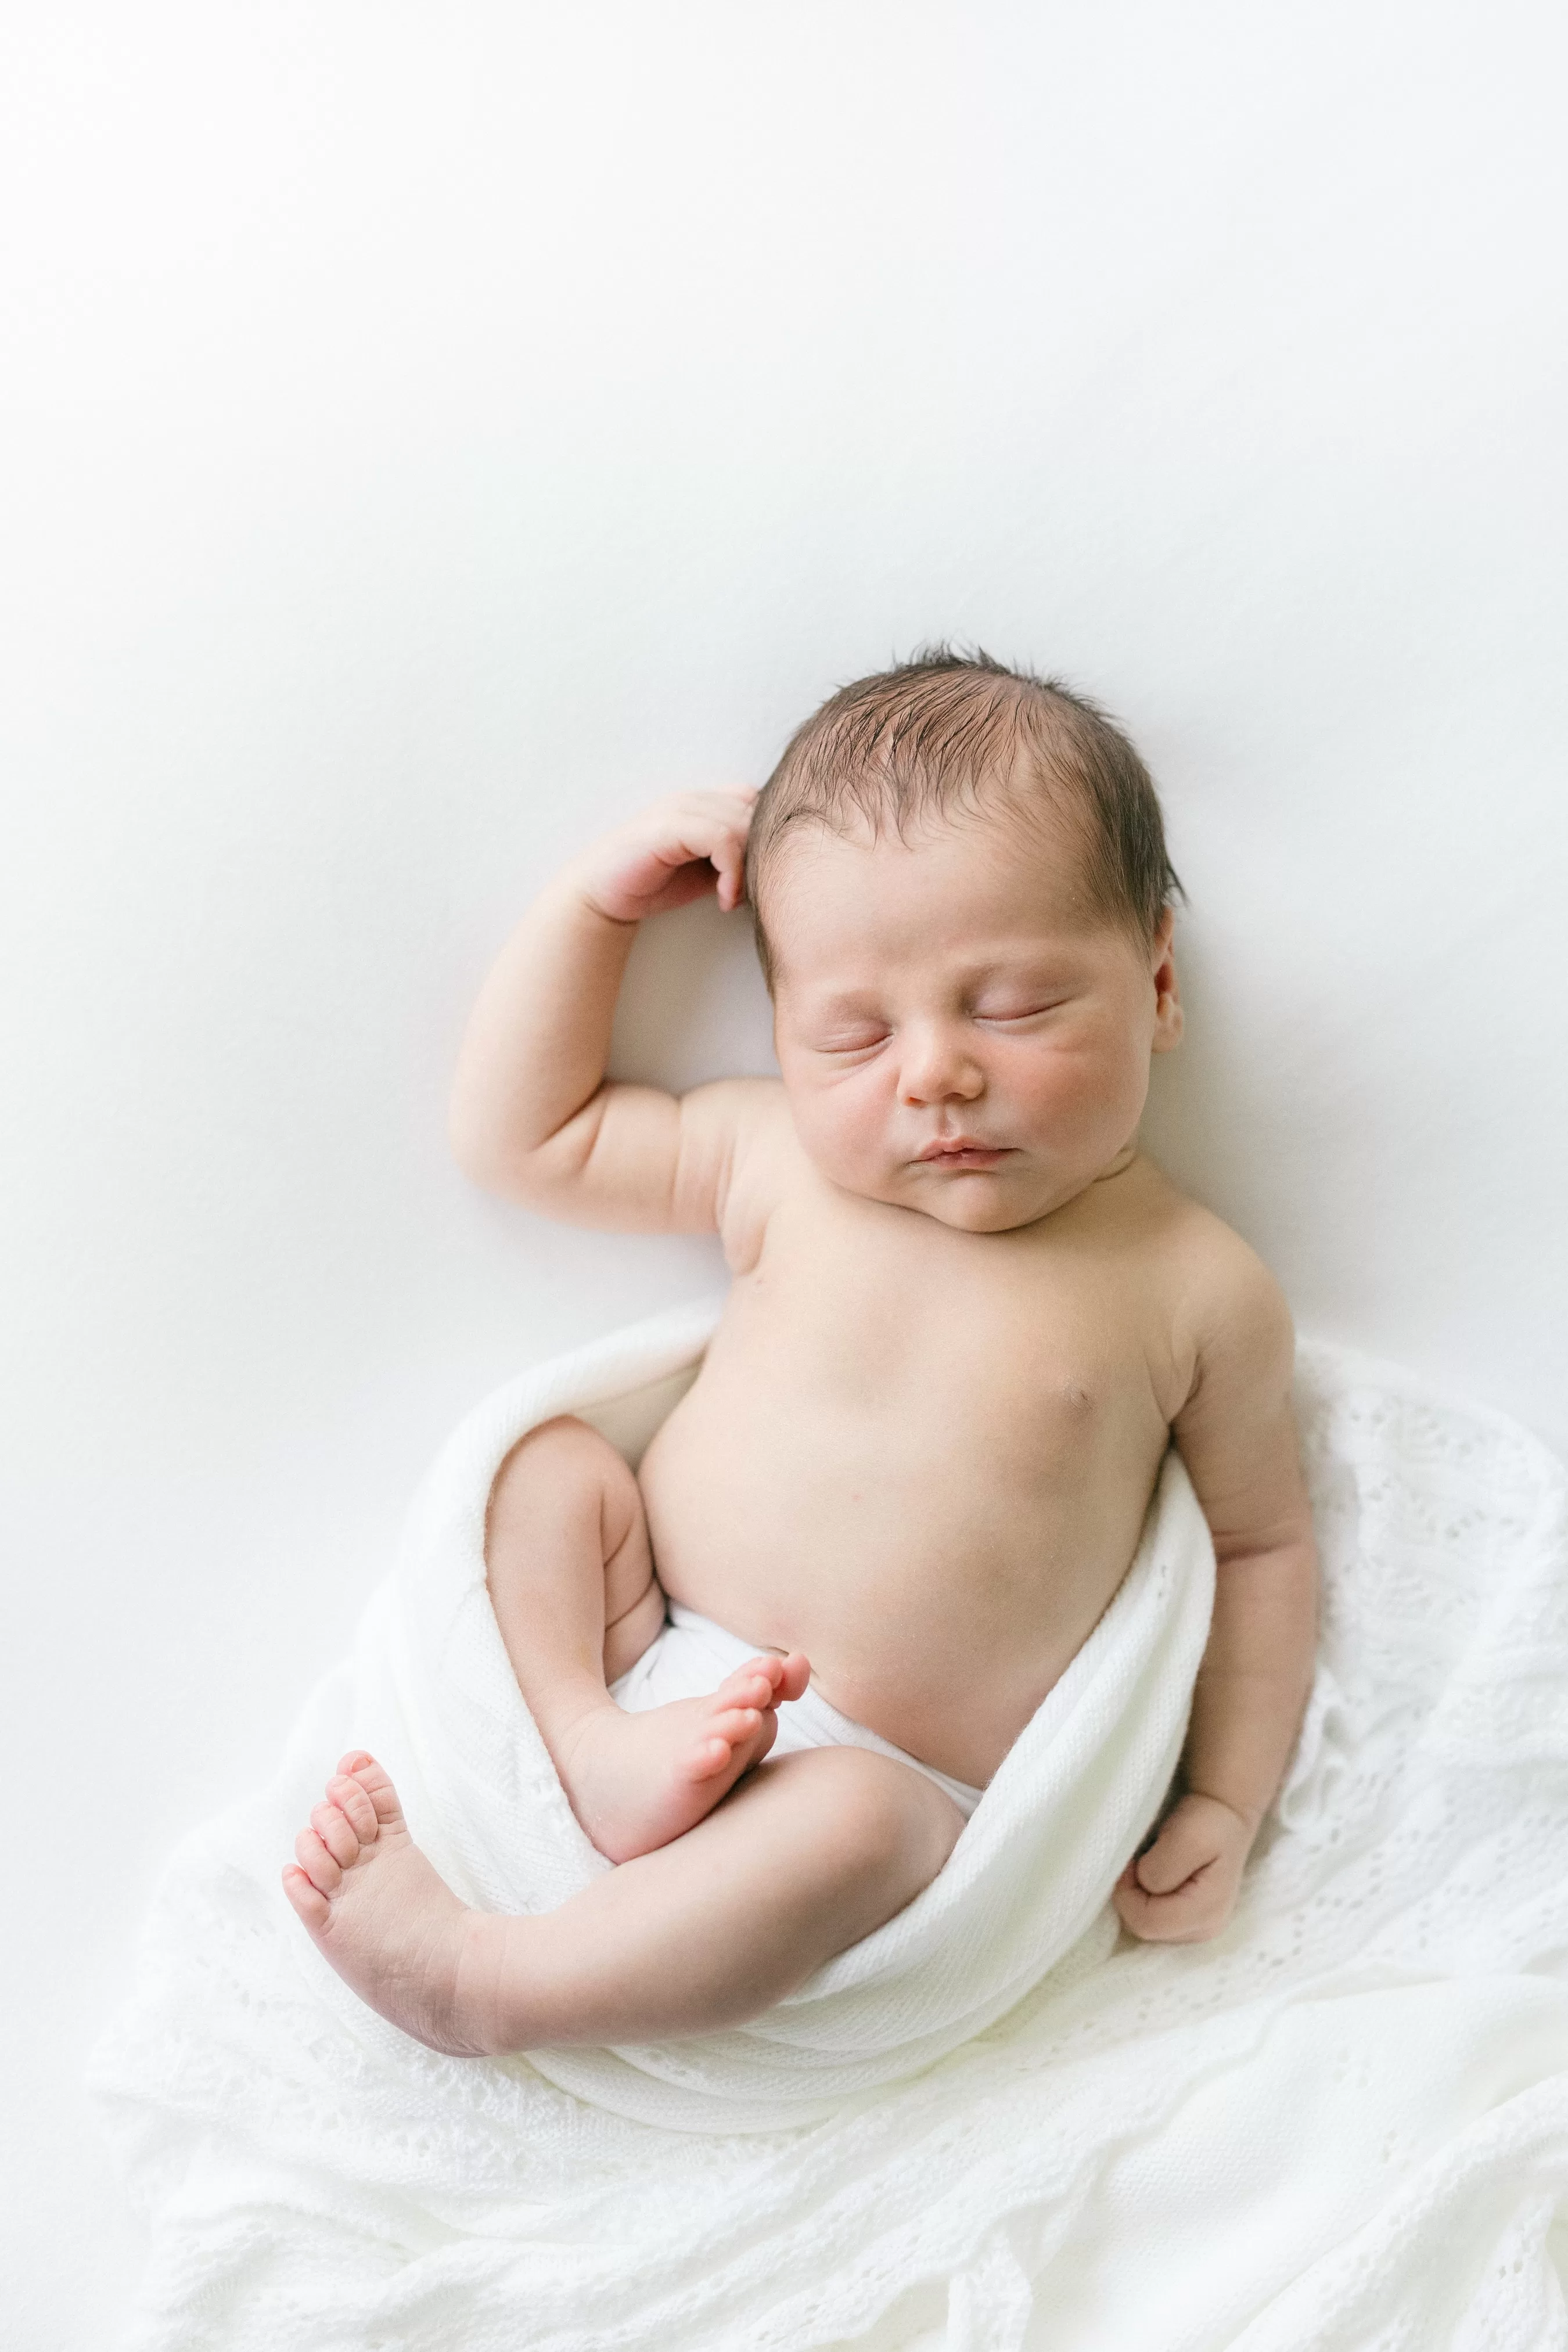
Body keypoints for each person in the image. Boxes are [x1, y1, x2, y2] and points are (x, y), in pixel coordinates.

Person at [282, 649, 1318, 2056]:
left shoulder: (1194, 1286)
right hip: (643, 1637)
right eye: (852, 1032)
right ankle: (593, 1754)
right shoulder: (776, 1159)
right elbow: (524, 1139)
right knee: (550, 1470)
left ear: (1157, 987)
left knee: (868, 1827)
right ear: (782, 1034)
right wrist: (594, 913)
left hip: (872, 1769)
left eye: (1012, 1007)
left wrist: (1223, 1800)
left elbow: (1260, 1553)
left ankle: (493, 1984)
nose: (933, 1072)